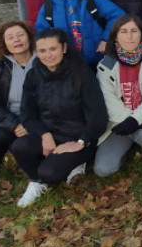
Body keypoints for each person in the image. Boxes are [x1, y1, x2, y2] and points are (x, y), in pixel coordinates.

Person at [10, 29, 108, 207]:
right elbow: (27, 114)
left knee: (50, 172)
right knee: (20, 146)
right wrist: (44, 134)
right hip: (50, 134)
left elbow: (98, 116)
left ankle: (75, 164)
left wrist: (80, 141)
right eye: (42, 51)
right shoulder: (33, 75)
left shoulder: (82, 74)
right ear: (36, 52)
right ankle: (36, 182)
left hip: (78, 137)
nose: (48, 55)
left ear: (63, 48)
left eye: (53, 49)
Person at [94, 15, 142, 177]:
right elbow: (108, 100)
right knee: (102, 170)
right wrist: (129, 121)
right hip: (119, 121)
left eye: (134, 31)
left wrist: (137, 119)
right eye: (124, 31)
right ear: (115, 36)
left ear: (141, 34)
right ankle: (125, 148)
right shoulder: (105, 65)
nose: (129, 36)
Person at [35, 0, 125, 68]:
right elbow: (41, 31)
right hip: (67, 63)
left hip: (96, 59)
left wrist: (106, 39)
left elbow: (118, 16)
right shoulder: (49, 6)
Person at [0, 21, 36, 188]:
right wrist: (15, 124)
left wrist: (29, 122)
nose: (16, 40)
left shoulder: (43, 60)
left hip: (38, 116)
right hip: (9, 117)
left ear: (29, 37)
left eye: (20, 35)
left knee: (25, 149)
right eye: (10, 37)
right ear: (4, 43)